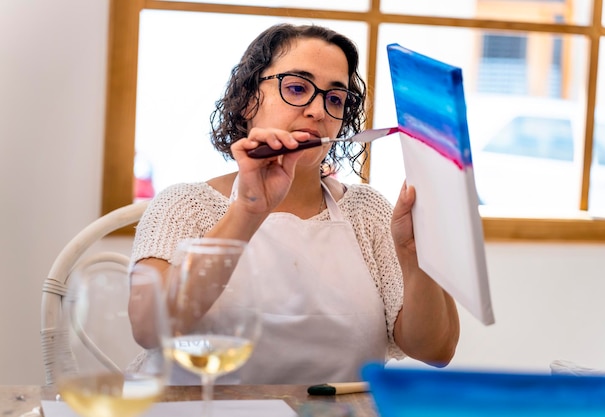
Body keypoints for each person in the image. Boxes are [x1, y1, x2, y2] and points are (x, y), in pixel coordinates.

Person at [128, 23, 460, 385]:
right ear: (249, 99)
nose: (318, 111)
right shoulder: (184, 206)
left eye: (335, 98)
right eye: (298, 88)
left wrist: (413, 256)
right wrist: (248, 211)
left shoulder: (368, 212)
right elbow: (149, 328)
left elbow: (436, 350)